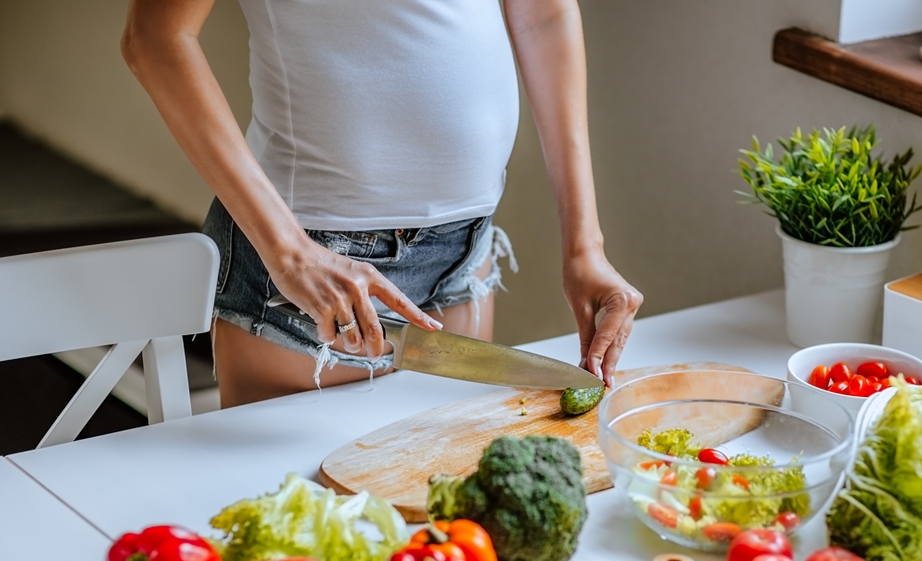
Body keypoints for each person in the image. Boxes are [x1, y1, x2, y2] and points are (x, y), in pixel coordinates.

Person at [122, 0, 642, 407]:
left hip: (463, 252)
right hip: (312, 263)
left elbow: (544, 15)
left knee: (432, 512)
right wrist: (292, 253)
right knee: (302, 522)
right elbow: (155, 37)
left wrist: (584, 246)